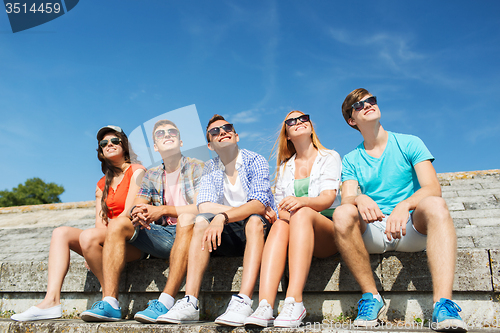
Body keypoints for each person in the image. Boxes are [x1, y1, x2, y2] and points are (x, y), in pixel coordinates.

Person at [333, 88, 467, 332]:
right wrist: (359, 198)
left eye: (371, 100)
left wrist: (404, 205)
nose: (368, 105)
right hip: (373, 231)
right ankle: (371, 297)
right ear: (352, 120)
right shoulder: (351, 158)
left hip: (410, 228)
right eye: (359, 105)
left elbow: (432, 187)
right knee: (342, 214)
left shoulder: (409, 142)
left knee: (436, 204)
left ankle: (443, 304)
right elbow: (347, 198)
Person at [11, 125, 145, 322]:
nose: (109, 144)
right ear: (100, 151)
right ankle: (51, 301)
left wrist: (91, 240)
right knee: (61, 233)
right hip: (109, 239)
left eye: (115, 140)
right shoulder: (101, 184)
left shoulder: (137, 170)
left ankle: (110, 300)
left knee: (88, 236)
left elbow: (128, 213)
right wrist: (91, 246)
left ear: (124, 145)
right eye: (104, 143)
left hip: (134, 241)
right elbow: (100, 223)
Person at [155, 114, 276, 326]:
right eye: (215, 131)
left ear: (236, 136)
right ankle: (190, 301)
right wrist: (227, 214)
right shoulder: (211, 168)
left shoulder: (255, 160)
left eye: (227, 128)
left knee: (255, 220)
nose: (222, 132)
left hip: (259, 232)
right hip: (227, 232)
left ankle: (244, 300)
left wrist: (224, 215)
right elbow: (205, 205)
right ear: (210, 145)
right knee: (201, 220)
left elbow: (259, 205)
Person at [80, 119, 204, 322]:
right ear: (155, 146)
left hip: (192, 233)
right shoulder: (152, 174)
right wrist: (139, 212)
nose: (167, 135)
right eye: (161, 134)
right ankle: (110, 302)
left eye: (172, 132)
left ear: (181, 142)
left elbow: (203, 206)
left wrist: (162, 210)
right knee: (119, 224)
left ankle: (165, 301)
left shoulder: (197, 167)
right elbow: (138, 204)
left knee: (187, 218)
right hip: (163, 237)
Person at [244, 111, 342, 328]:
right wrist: (287, 211)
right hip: (296, 229)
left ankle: (294, 301)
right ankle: (265, 306)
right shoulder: (286, 165)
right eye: (291, 121)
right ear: (287, 134)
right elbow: (280, 209)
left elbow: (327, 199)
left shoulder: (329, 156)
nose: (298, 122)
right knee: (279, 225)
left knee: (303, 212)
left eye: (303, 118)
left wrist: (300, 202)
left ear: (311, 126)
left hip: (326, 231)